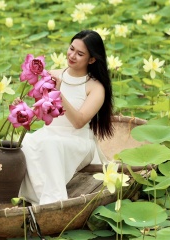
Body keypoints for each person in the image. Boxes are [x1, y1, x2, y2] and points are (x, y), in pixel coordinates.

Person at [18, 30, 114, 205]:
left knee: (51, 145)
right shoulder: (53, 74)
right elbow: (40, 111)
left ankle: (52, 202)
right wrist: (23, 109)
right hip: (49, 133)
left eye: (80, 54)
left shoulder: (96, 87)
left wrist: (58, 93)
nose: (72, 55)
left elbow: (79, 122)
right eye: (71, 49)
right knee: (22, 144)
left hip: (78, 140)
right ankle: (33, 196)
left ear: (91, 59)